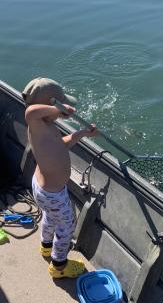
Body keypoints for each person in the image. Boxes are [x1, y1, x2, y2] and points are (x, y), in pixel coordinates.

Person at [22, 77, 98, 279]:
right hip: (52, 194)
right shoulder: (35, 123)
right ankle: (59, 265)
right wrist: (58, 108)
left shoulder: (46, 127)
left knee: (50, 217)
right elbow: (30, 112)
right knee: (66, 227)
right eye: (59, 104)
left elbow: (61, 144)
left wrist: (81, 133)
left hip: (48, 192)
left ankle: (46, 246)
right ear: (50, 105)